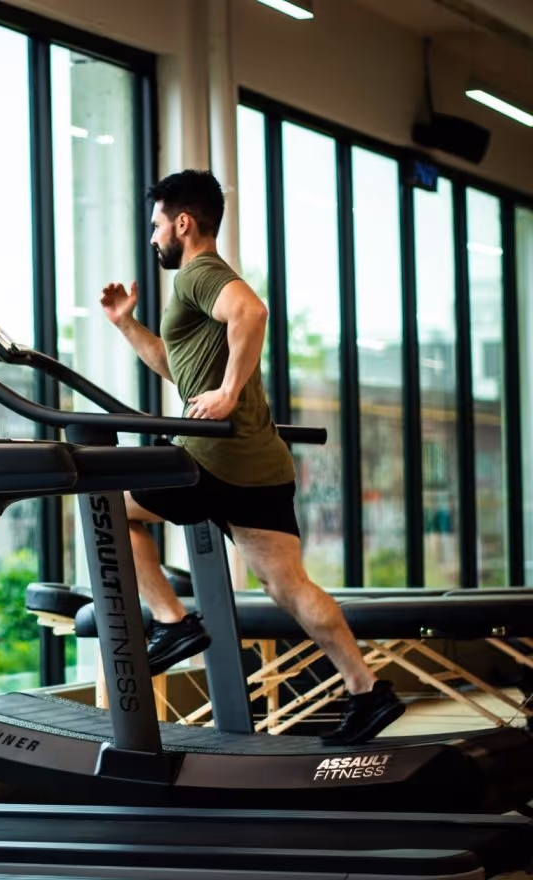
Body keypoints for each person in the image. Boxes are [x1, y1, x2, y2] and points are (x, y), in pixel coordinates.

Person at [100, 169, 404, 746]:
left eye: (157, 225)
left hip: (211, 457)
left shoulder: (200, 274)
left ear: (182, 223)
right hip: (259, 462)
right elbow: (177, 367)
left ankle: (173, 623)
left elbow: (253, 313)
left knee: (109, 506)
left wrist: (229, 393)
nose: (153, 237)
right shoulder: (199, 285)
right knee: (289, 585)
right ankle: (367, 690)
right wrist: (127, 325)